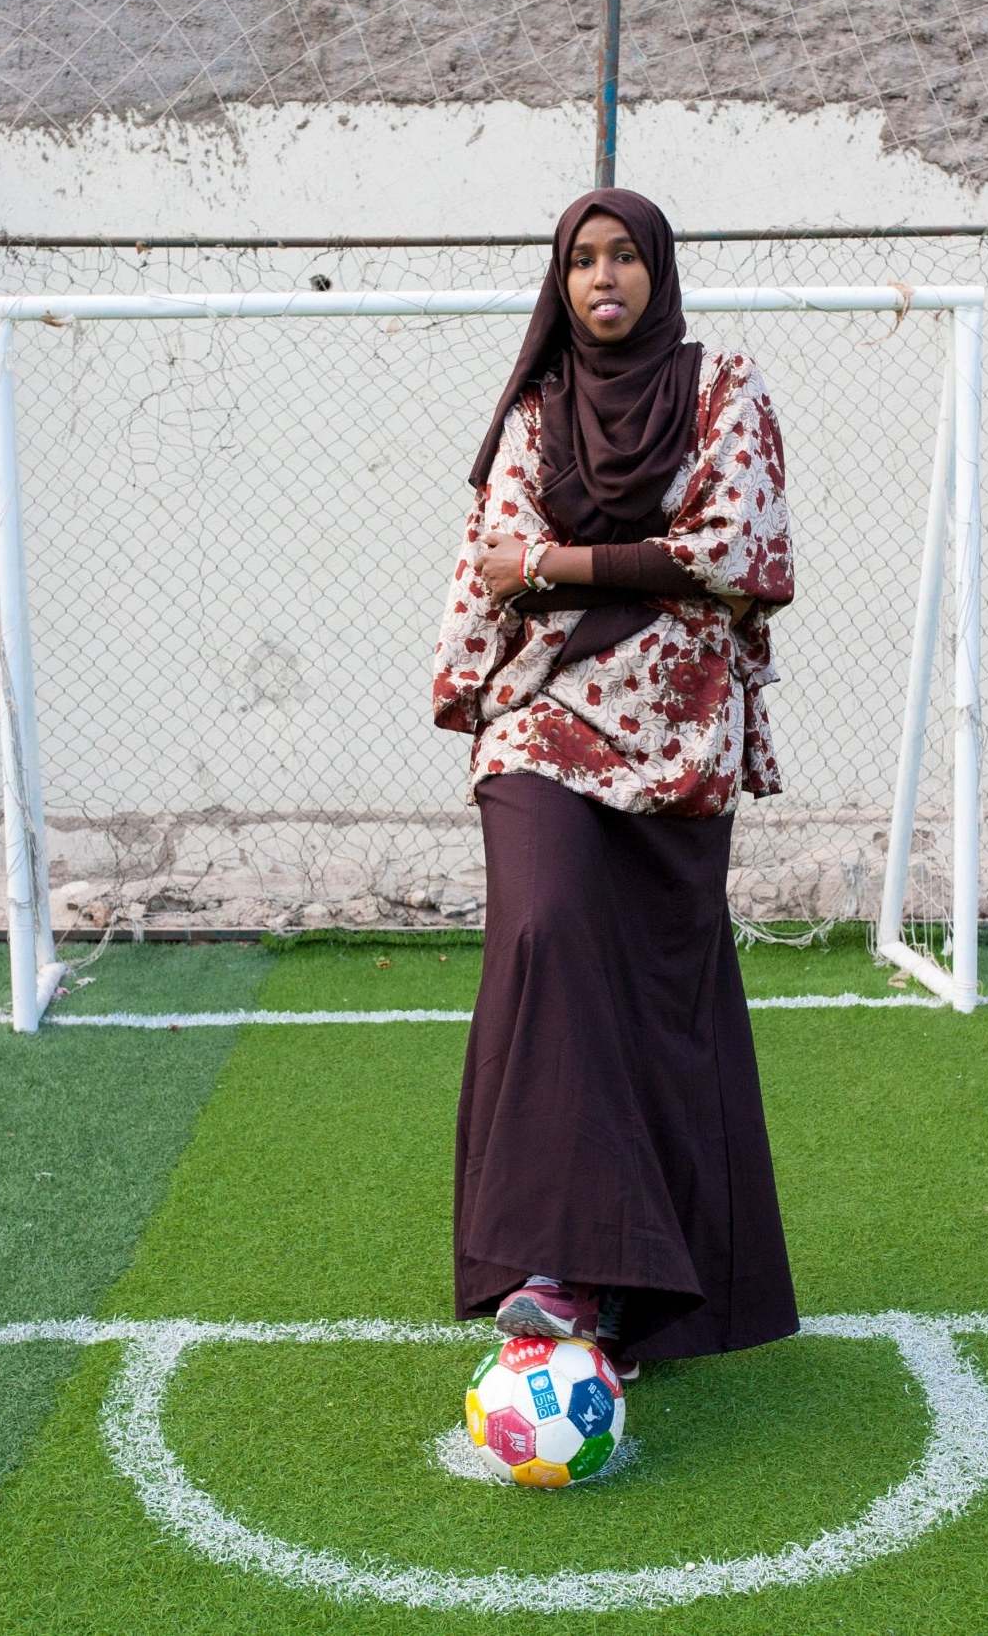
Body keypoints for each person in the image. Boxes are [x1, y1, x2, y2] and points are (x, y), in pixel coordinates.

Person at [428, 187, 800, 1385]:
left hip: (679, 736)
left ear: (658, 271)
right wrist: (593, 571)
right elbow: (493, 557)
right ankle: (555, 1267)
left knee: (654, 995)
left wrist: (560, 562)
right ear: (559, 278)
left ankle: (644, 1289)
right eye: (582, 258)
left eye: (624, 256)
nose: (603, 277)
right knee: (544, 931)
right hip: (541, 717)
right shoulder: (536, 411)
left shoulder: (722, 390)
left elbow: (737, 552)